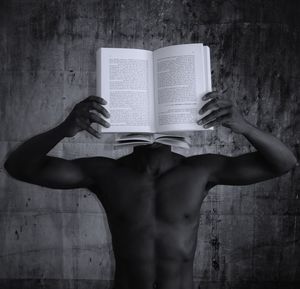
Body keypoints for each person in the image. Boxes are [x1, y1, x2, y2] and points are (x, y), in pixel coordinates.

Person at [4, 92, 297, 289]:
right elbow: (19, 167)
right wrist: (64, 129)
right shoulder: (106, 172)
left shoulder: (200, 170)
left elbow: (284, 163)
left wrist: (245, 127)